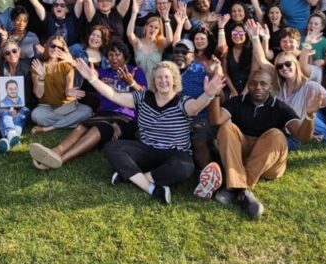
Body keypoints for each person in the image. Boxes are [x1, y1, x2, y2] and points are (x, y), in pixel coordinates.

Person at [76, 59, 226, 205]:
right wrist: (93, 79)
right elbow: (114, 95)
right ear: (154, 81)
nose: (163, 81)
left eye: (167, 77)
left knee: (185, 167)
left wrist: (208, 95)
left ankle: (130, 177)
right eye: (159, 77)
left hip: (174, 153)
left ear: (174, 80)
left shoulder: (182, 102)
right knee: (112, 148)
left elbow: (195, 106)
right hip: (147, 150)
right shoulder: (142, 97)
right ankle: (152, 189)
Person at [208, 68, 321, 220]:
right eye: (253, 84)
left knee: (277, 135)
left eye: (263, 83)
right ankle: (243, 191)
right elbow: (216, 120)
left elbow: (303, 136)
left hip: (269, 163)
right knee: (227, 128)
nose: (258, 87)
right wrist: (214, 95)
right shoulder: (237, 102)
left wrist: (310, 115)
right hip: (243, 155)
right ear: (249, 85)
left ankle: (235, 186)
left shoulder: (280, 108)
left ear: (271, 86)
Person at [29, 42, 147, 170]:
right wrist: (79, 65)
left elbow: (144, 95)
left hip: (125, 117)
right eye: (111, 55)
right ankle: (55, 151)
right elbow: (92, 74)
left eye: (117, 55)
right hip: (104, 113)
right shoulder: (104, 72)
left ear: (125, 56)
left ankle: (61, 160)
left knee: (96, 129)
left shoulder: (135, 71)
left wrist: (132, 83)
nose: (114, 58)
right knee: (82, 127)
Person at [29, 35, 93, 132]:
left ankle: (49, 128)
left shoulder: (67, 66)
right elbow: (38, 94)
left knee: (87, 111)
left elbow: (68, 91)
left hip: (66, 107)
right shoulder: (38, 66)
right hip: (46, 107)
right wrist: (41, 77)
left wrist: (70, 92)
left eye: (59, 47)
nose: (56, 49)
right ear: (47, 46)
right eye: (53, 46)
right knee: (35, 115)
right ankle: (70, 122)